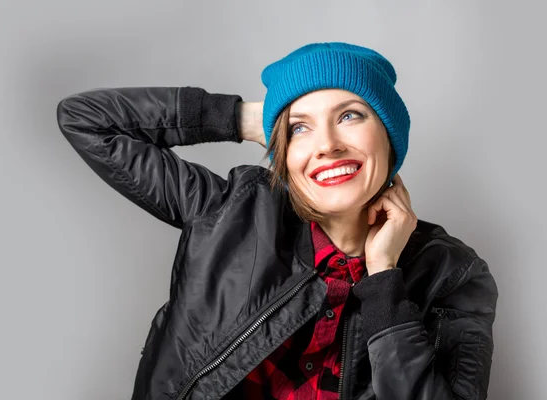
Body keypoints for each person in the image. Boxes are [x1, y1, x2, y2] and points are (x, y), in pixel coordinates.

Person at [56, 42, 498, 400]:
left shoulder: (453, 273)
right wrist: (250, 118)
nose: (326, 144)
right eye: (301, 129)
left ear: (389, 134)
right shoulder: (230, 209)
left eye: (349, 116)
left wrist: (384, 279)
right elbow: (86, 120)